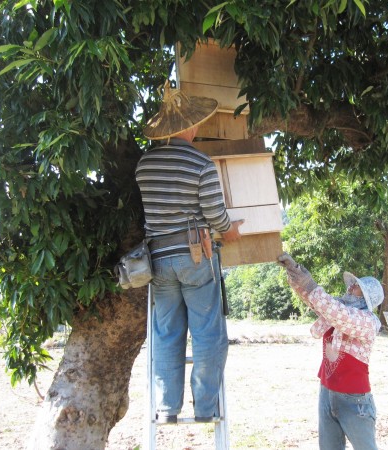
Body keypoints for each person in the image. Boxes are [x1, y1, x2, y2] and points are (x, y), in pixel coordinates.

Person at [136, 81, 243, 423]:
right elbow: (215, 215)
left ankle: (166, 408)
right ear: (189, 126)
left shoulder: (144, 165)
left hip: (158, 261)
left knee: (167, 334)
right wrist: (231, 230)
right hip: (196, 257)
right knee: (208, 333)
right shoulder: (201, 163)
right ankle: (206, 408)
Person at [278, 253, 383, 450]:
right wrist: (295, 271)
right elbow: (315, 300)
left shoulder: (368, 321)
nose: (350, 286)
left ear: (367, 296)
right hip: (327, 392)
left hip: (355, 401)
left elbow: (336, 312)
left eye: (356, 286)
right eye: (352, 284)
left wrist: (308, 283)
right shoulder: (337, 307)